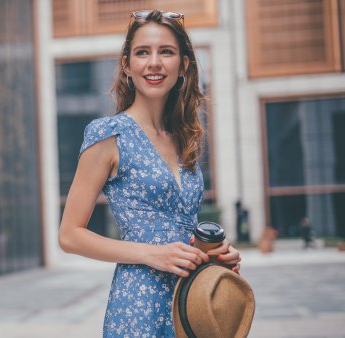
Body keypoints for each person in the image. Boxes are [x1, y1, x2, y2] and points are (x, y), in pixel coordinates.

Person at [58, 10, 241, 337]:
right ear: (127, 65)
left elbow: (178, 225)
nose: (154, 62)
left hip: (191, 302)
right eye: (143, 52)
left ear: (183, 65)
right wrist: (150, 253)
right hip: (139, 305)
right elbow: (69, 235)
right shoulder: (108, 134)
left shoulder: (185, 137)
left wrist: (214, 253)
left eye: (166, 52)